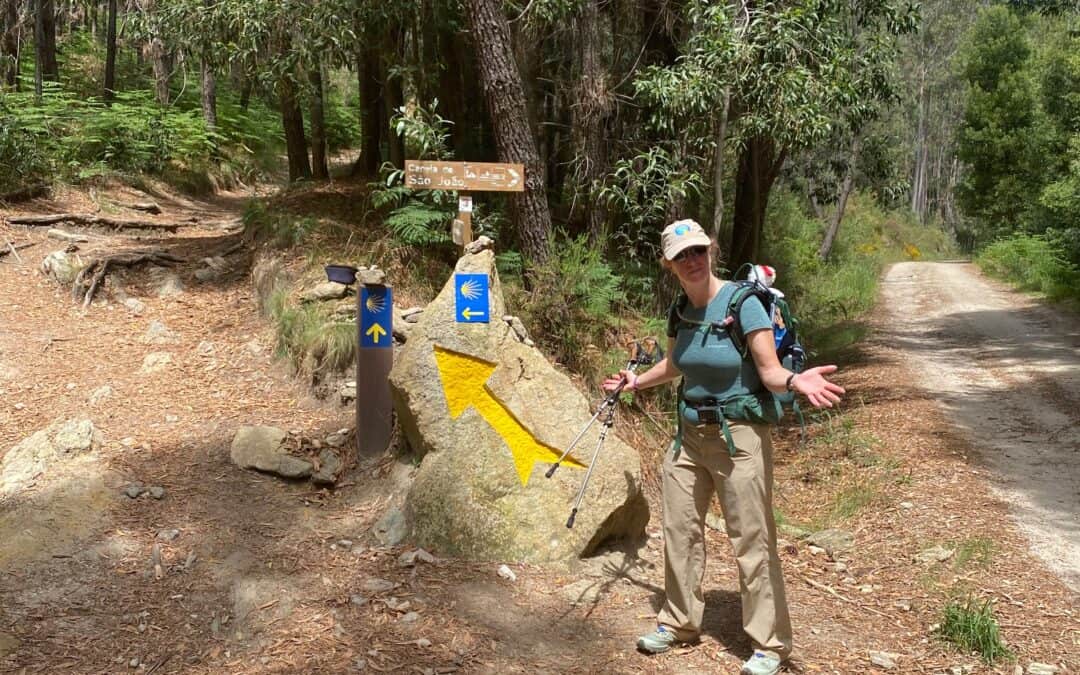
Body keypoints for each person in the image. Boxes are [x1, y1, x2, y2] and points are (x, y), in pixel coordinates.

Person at [603, 219, 845, 675]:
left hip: (740, 438)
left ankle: (769, 644)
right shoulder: (680, 310)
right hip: (688, 436)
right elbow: (677, 363)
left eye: (697, 251)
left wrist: (796, 381)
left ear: (710, 250)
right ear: (668, 264)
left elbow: (770, 372)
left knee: (752, 540)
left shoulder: (743, 303)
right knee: (679, 531)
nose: (691, 261)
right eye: (681, 256)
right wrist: (637, 381)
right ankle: (679, 622)